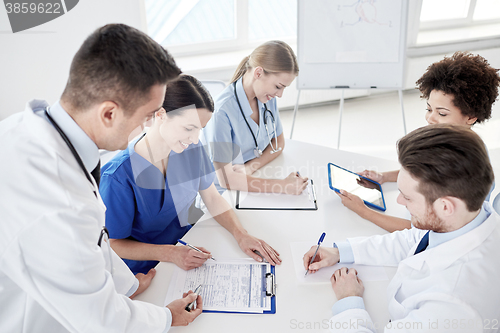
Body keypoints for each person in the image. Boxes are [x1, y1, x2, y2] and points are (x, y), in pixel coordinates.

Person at [0, 24, 203, 332]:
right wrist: (166, 316)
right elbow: (102, 320)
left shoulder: (28, 129)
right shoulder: (59, 201)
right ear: (109, 113)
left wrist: (128, 285)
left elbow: (93, 242)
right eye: (149, 115)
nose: (151, 124)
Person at [303, 124, 499, 332]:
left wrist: (349, 302)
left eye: (407, 197)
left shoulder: (452, 304)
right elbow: (415, 239)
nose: (398, 201)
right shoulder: (471, 216)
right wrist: (340, 251)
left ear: (445, 206)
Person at [100, 74, 281, 275]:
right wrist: (171, 254)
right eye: (189, 128)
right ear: (160, 115)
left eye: (200, 130)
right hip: (147, 268)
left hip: (191, 245)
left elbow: (211, 197)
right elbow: (114, 243)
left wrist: (241, 234)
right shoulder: (117, 177)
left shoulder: (189, 149)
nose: (195, 139)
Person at [337, 52, 500, 232]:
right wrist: (383, 177)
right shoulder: (446, 140)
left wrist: (364, 211)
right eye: (429, 109)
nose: (430, 118)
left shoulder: (466, 165)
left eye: (442, 113)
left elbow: (420, 233)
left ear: (470, 117)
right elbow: (427, 171)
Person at [201, 40, 309, 195]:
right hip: (221, 194)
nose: (280, 94)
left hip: (254, 178)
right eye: (278, 86)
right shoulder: (221, 112)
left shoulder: (266, 98)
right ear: (258, 73)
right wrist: (282, 186)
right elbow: (226, 179)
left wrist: (250, 166)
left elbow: (278, 142)